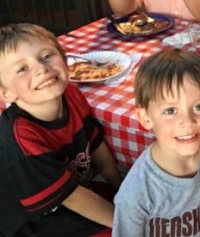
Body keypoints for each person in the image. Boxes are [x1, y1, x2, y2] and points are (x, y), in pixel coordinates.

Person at [0, 23, 122, 236]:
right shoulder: (20, 136)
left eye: (46, 56)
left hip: (74, 193)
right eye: (22, 69)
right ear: (6, 93)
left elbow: (96, 145)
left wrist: (118, 188)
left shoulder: (72, 94)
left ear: (65, 61)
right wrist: (126, 223)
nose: (41, 68)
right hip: (35, 221)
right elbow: (73, 198)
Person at [112, 49, 200, 237]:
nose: (187, 121)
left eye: (199, 107)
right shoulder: (135, 195)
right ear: (145, 118)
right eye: (170, 111)